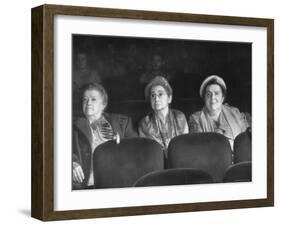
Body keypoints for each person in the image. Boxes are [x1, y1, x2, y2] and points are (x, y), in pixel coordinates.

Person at [72, 83, 137, 189]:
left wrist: (123, 144)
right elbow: (59, 149)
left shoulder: (122, 123)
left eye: (93, 99)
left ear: (103, 104)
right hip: (86, 183)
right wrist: (71, 162)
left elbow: (138, 149)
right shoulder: (73, 126)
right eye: (85, 99)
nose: (88, 103)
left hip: (118, 181)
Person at [189, 75, 251, 149]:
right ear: (204, 98)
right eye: (208, 94)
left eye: (217, 93)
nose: (213, 97)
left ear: (222, 98)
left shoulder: (235, 113)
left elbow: (245, 139)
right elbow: (198, 147)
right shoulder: (195, 119)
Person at [138, 76, 189, 157]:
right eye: (153, 95)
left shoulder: (179, 117)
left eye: (160, 94)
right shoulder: (145, 122)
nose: (156, 99)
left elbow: (184, 145)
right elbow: (149, 151)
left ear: (169, 98)